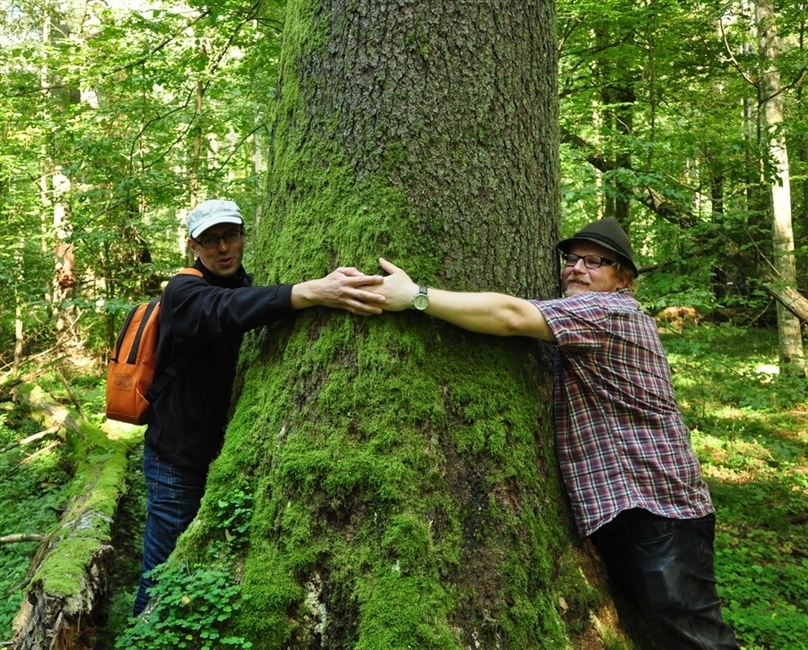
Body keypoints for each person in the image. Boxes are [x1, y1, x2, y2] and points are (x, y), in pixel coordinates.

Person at [367, 217, 738, 649]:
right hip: (635, 516)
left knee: (697, 642)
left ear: (624, 279)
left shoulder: (610, 313)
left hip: (659, 514)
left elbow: (509, 316)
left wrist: (416, 296)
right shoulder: (584, 322)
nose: (577, 268)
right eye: (572, 258)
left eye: (596, 261)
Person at [133, 199, 385, 616]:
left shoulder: (248, 281)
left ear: (244, 236)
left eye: (230, 235)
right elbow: (224, 311)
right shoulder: (183, 290)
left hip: (223, 455)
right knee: (161, 574)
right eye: (210, 240)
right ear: (193, 247)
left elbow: (245, 303)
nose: (223, 248)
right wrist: (310, 292)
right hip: (175, 462)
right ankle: (141, 637)